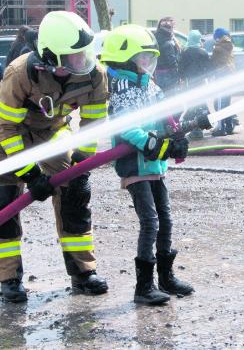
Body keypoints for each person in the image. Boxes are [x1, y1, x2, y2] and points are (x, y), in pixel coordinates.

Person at [0, 10, 109, 303]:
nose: (82, 61)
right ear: (51, 58)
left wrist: (82, 164)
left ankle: (83, 272)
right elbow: (7, 127)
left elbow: (94, 122)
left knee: (74, 196)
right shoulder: (20, 72)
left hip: (50, 132)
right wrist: (30, 174)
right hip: (4, 136)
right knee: (5, 203)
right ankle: (10, 279)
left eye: (83, 53)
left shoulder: (93, 74)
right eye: (73, 56)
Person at [100, 24, 195, 305]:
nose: (148, 64)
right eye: (143, 59)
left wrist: (177, 135)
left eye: (149, 59)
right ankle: (144, 287)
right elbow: (127, 128)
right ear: (126, 58)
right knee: (150, 222)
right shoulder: (123, 86)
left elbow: (165, 113)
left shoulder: (147, 84)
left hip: (154, 167)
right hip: (135, 166)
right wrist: (155, 145)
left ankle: (166, 277)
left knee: (165, 219)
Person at [178, 30, 212, 139]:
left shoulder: (185, 52)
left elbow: (181, 67)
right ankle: (198, 128)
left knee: (193, 104)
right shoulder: (203, 52)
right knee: (200, 103)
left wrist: (182, 79)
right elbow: (208, 69)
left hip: (190, 82)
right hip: (201, 83)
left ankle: (193, 128)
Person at [210, 28, 238, 137]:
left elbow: (213, 63)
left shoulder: (218, 48)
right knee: (226, 103)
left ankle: (221, 129)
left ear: (218, 37)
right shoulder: (229, 45)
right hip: (229, 78)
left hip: (222, 79)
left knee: (219, 104)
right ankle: (229, 126)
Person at [153, 17, 182, 96]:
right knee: (171, 98)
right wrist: (178, 74)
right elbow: (172, 61)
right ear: (170, 28)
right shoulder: (169, 42)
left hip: (157, 72)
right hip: (169, 73)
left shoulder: (154, 38)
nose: (173, 29)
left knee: (160, 97)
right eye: (172, 27)